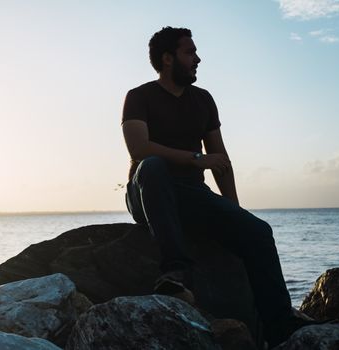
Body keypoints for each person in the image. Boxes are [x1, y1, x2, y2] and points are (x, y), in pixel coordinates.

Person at [121, 26, 316, 348]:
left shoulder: (203, 100)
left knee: (258, 231)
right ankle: (174, 274)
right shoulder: (139, 96)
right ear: (168, 59)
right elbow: (139, 150)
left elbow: (221, 160)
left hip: (192, 194)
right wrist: (195, 158)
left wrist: (235, 212)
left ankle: (279, 324)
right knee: (153, 166)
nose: (198, 58)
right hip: (148, 191)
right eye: (190, 52)